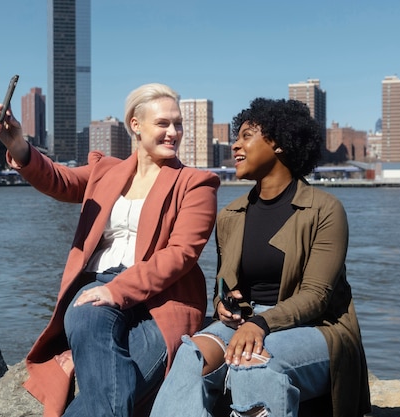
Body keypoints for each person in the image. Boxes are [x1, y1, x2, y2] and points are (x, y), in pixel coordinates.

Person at [0, 83, 220, 417]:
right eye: (163, 124)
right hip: (98, 285)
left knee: (111, 386)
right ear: (136, 125)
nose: (174, 132)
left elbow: (181, 254)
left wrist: (117, 290)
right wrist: (20, 147)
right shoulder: (106, 171)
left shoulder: (196, 184)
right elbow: (59, 180)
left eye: (178, 124)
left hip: (162, 301)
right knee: (86, 312)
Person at [150, 98, 371, 417]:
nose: (235, 146)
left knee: (252, 362)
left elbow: (317, 296)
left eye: (246, 136)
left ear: (279, 143)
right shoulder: (230, 215)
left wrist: (260, 324)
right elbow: (223, 284)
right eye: (236, 138)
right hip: (248, 322)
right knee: (190, 357)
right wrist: (222, 306)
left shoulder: (324, 209)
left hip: (318, 329)